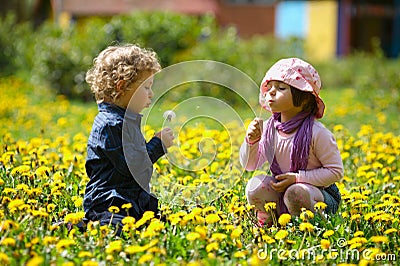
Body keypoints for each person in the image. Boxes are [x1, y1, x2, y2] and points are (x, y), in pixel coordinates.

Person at [239, 58, 343, 226]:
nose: (271, 92)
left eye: (281, 88)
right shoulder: (269, 129)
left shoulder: (317, 133)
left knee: (296, 192)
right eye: (270, 87)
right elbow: (250, 165)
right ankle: (269, 224)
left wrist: (298, 179)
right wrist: (252, 141)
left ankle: (306, 226)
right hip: (282, 190)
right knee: (255, 186)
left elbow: (335, 172)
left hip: (319, 195)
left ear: (303, 99)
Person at [83, 44, 174, 231]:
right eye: (146, 87)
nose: (151, 94)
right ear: (122, 87)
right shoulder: (110, 125)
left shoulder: (126, 122)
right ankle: (80, 226)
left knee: (164, 225)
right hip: (108, 203)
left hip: (131, 200)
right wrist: (158, 145)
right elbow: (132, 166)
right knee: (116, 228)